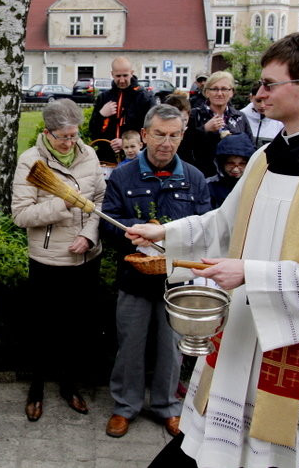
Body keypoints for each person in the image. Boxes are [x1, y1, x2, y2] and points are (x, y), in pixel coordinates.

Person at [128, 33, 299, 468]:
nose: (258, 94)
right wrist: (164, 234)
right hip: (246, 334)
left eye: (269, 84)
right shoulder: (266, 156)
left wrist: (252, 273)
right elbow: (223, 224)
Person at [102, 104, 211, 440]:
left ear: (182, 135)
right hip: (135, 279)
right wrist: (135, 231)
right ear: (145, 135)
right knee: (130, 346)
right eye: (160, 134)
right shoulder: (123, 175)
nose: (167, 142)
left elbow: (206, 228)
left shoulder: (193, 178)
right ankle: (125, 407)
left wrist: (172, 238)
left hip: (176, 281)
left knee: (172, 347)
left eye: (174, 135)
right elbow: (107, 224)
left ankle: (167, 406)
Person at [11, 98, 106, 422]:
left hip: (84, 258)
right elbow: (20, 214)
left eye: (74, 135)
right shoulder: (30, 162)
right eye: (64, 136)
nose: (70, 142)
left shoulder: (88, 154)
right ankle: (36, 388)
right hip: (49, 260)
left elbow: (100, 199)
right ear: (48, 133)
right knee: (44, 329)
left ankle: (69, 386)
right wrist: (61, 205)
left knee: (76, 327)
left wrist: (89, 236)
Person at [180, 71, 254, 178]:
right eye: (214, 89)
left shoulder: (239, 117)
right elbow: (183, 148)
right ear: (207, 92)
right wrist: (204, 129)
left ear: (231, 92)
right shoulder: (195, 115)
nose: (219, 93)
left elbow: (250, 147)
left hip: (233, 178)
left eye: (224, 89)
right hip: (202, 176)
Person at [89, 57, 155, 164]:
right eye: (118, 76)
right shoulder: (104, 97)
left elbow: (151, 130)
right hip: (107, 157)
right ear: (112, 74)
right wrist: (101, 115)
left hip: (135, 158)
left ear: (132, 73)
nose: (122, 80)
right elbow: (93, 131)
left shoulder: (145, 98)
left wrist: (126, 143)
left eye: (125, 75)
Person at [206, 133, 255, 209]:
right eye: (231, 163)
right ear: (221, 164)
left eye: (242, 164)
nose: (236, 169)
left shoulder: (254, 186)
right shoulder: (209, 186)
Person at [240, 81, 284, 147]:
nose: (262, 105)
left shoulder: (280, 120)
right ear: (251, 98)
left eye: (266, 100)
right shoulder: (240, 117)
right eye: (258, 101)